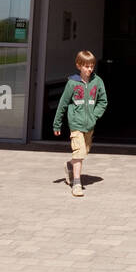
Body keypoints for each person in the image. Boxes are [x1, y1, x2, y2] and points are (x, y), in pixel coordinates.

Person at [53, 50, 109, 196]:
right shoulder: (72, 83)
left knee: (84, 152)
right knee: (79, 152)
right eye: (86, 66)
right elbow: (63, 104)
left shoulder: (97, 82)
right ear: (79, 66)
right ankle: (77, 184)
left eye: (92, 66)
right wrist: (56, 124)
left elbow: (103, 101)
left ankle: (70, 165)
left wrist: (94, 116)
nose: (89, 69)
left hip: (90, 124)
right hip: (76, 125)